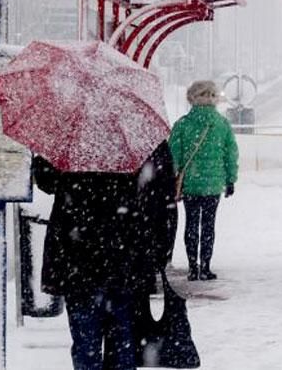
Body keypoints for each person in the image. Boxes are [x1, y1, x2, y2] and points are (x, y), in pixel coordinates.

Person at [34, 141, 177, 370]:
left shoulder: (71, 129)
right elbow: (162, 194)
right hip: (126, 253)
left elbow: (45, 179)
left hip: (77, 254)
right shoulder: (140, 130)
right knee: (123, 341)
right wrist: (160, 251)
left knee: (85, 343)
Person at [169, 80, 239, 281]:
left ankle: (193, 267)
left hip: (191, 183)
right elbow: (230, 154)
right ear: (214, 98)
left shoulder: (182, 124)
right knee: (209, 225)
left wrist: (174, 178)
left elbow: (173, 155)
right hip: (213, 183)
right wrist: (230, 179)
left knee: (191, 224)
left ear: (192, 98)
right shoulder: (221, 124)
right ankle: (206, 267)